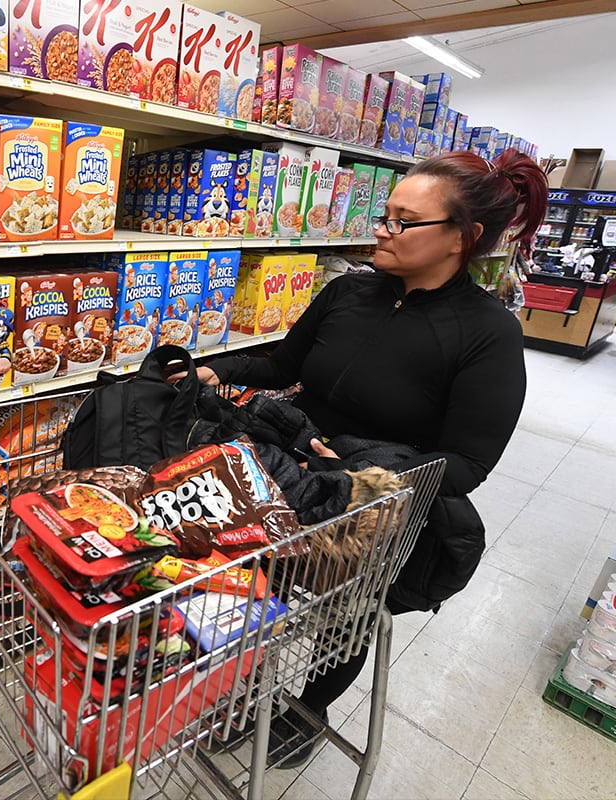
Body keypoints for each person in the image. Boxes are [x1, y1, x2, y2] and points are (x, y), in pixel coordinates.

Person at [172, 149, 548, 766]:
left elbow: (469, 462)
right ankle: (241, 685)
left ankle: (309, 709)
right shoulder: (347, 292)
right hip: (286, 475)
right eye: (386, 214)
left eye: (404, 221)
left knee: (345, 613)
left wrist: (364, 473)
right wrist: (213, 368)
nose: (382, 229)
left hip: (373, 507)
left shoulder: (488, 334)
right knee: (243, 582)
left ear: (462, 238)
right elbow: (282, 366)